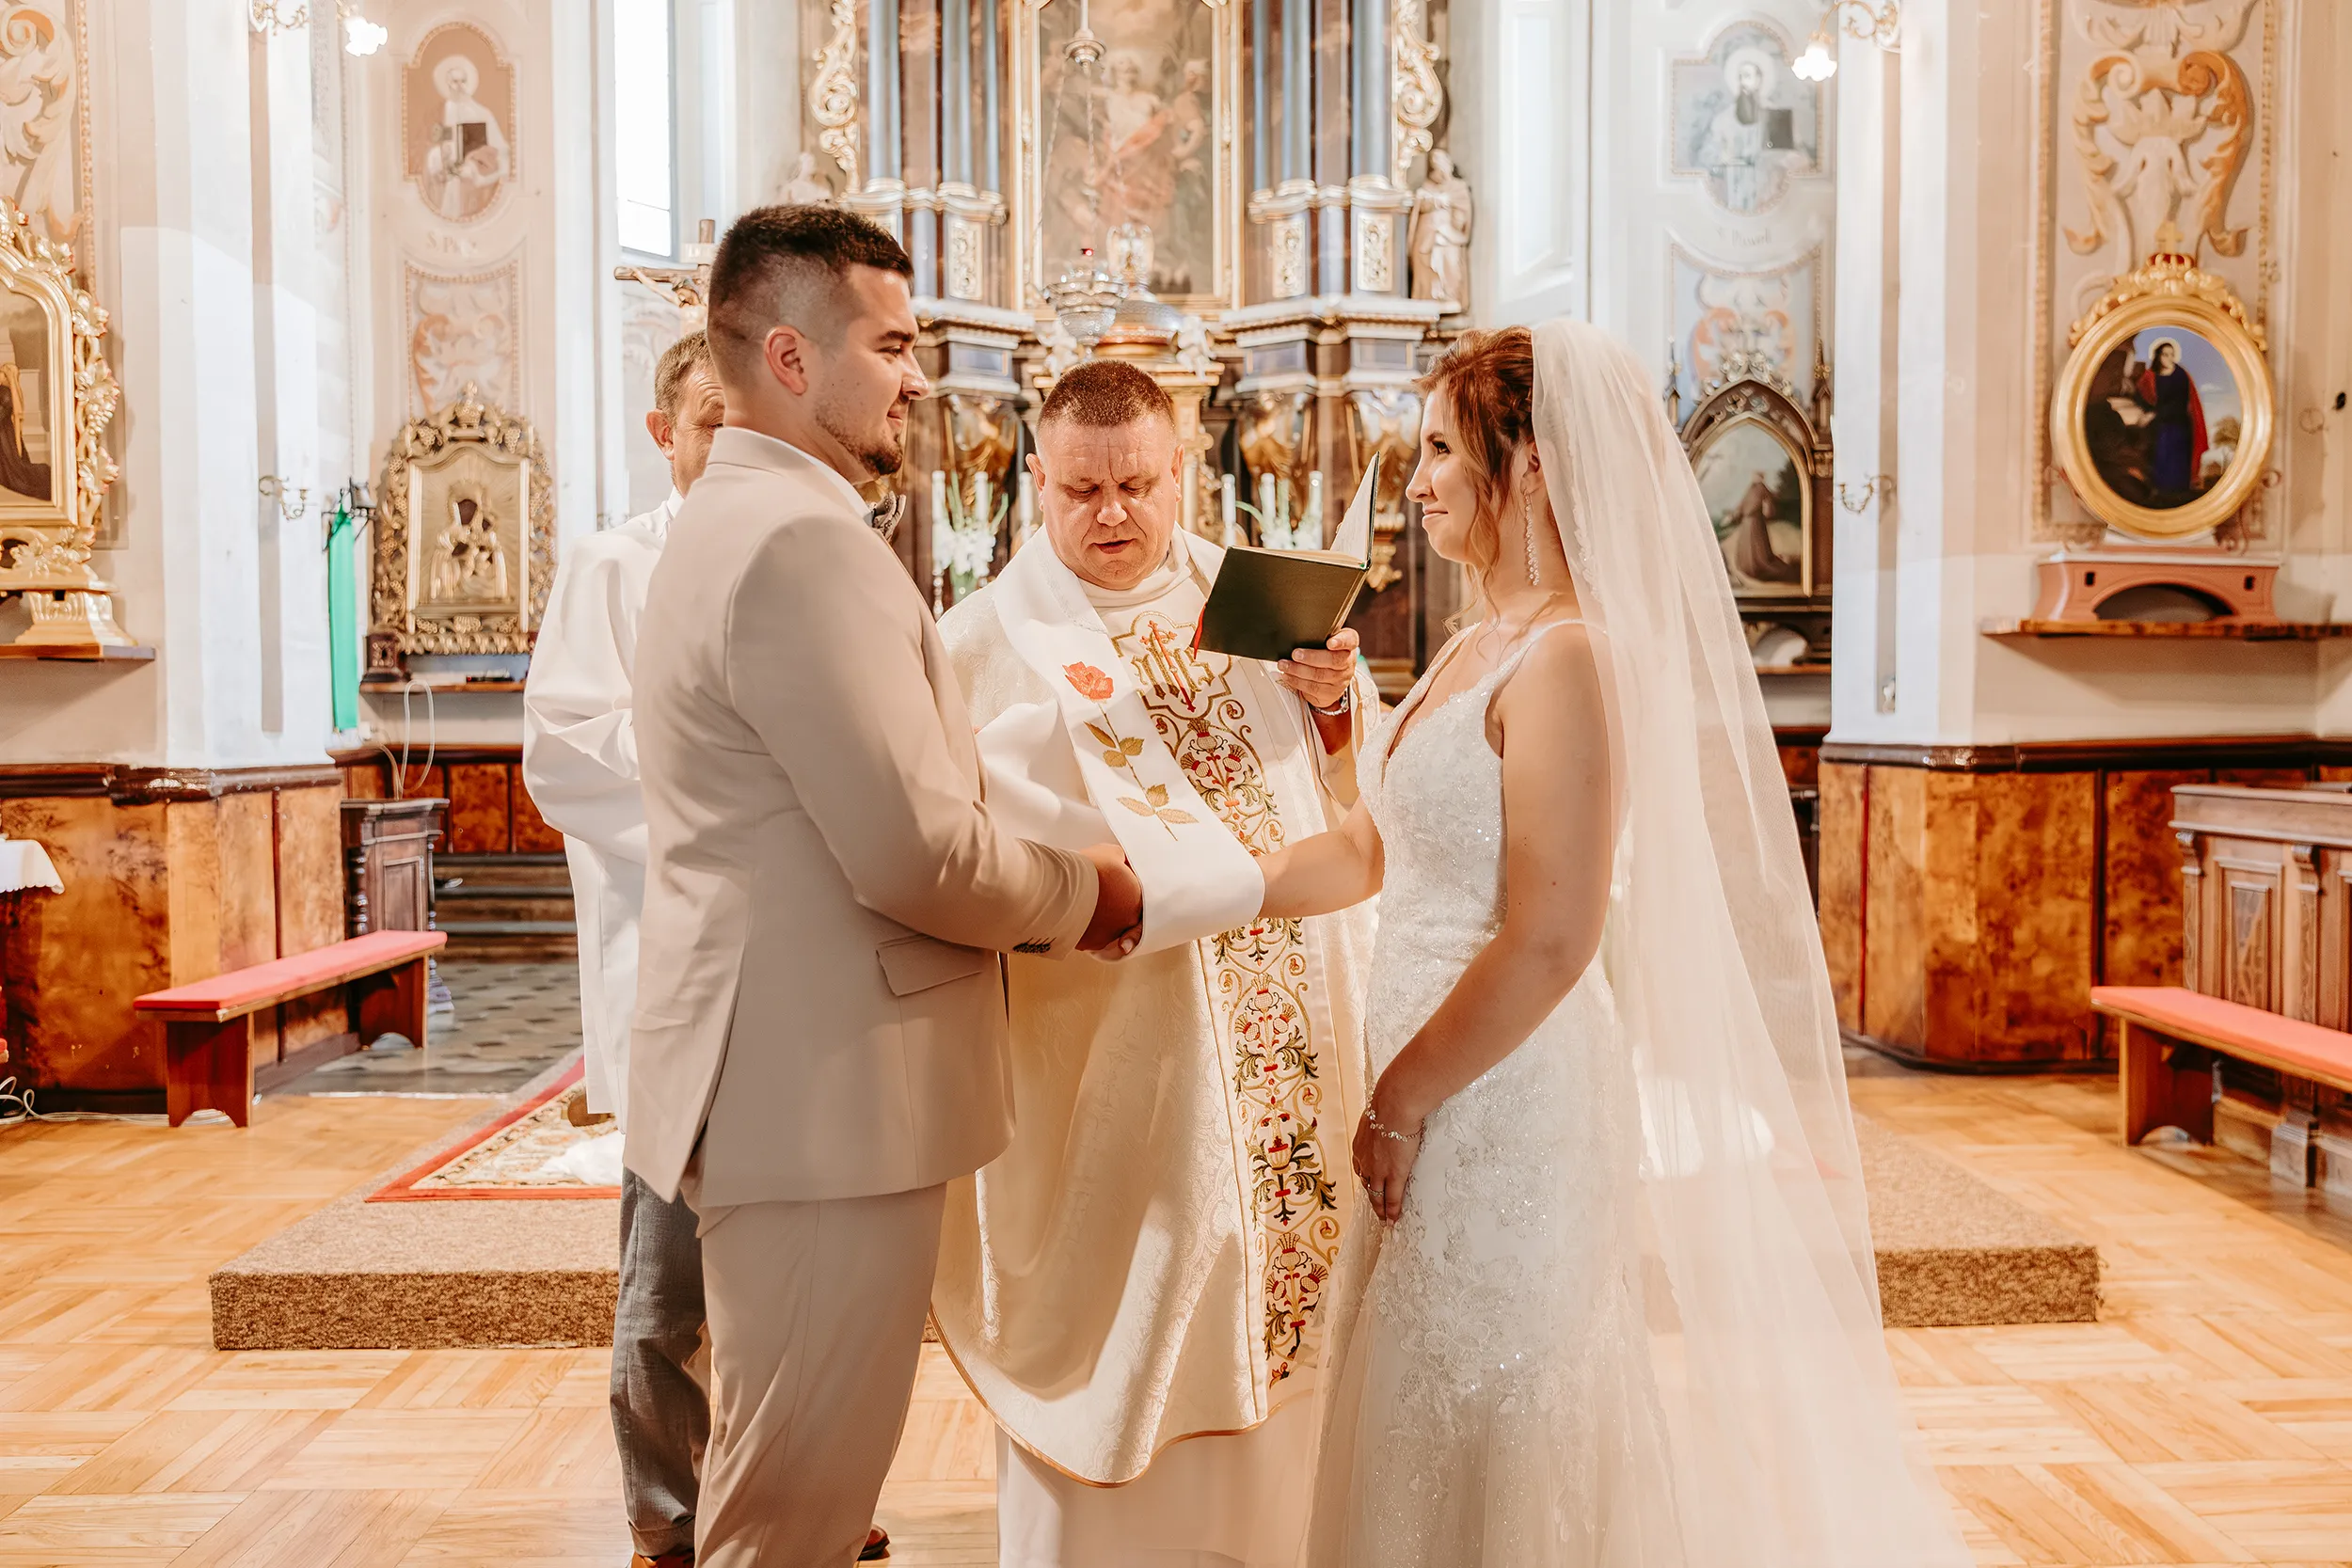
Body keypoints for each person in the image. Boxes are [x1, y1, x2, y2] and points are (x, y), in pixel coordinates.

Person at [1255, 322, 1972, 1566]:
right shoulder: (1479, 639)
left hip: (1500, 1085)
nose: (1415, 480)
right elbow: (1378, 850)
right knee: (1423, 1388)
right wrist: (1166, 892)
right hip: (1431, 1069)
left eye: (1439, 449)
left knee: (1509, 1391)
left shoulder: (1572, 655)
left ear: (1527, 464)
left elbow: (1551, 932)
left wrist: (1401, 1098)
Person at [625, 205, 1144, 1568]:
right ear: (792, 356)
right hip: (820, 1093)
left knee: (783, 1478)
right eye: (896, 344)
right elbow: (916, 851)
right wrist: (1094, 892)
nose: (919, 375)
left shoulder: (730, 516)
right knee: (788, 1510)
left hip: (790, 1077)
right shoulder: (799, 545)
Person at [930, 359, 1378, 1568]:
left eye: (1137, 483)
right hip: (1109, 1046)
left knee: (1284, 1264)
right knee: (1144, 1285)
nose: (1112, 513)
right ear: (1037, 479)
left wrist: (1333, 707)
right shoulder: (974, 646)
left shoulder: (1260, 605)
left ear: (1184, 471)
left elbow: (1356, 792)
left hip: (1284, 1036)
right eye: (1082, 488)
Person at [2137, 338, 2208, 501]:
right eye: (2165, 355)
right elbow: (2141, 397)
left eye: (2172, 354)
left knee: (2179, 457)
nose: (2169, 358)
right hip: (2161, 424)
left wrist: (2157, 413)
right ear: (2158, 356)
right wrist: (2150, 412)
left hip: (2179, 422)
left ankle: (2180, 492)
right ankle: (2161, 492)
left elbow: (2182, 401)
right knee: (2160, 455)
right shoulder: (2150, 376)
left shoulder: (2181, 374)